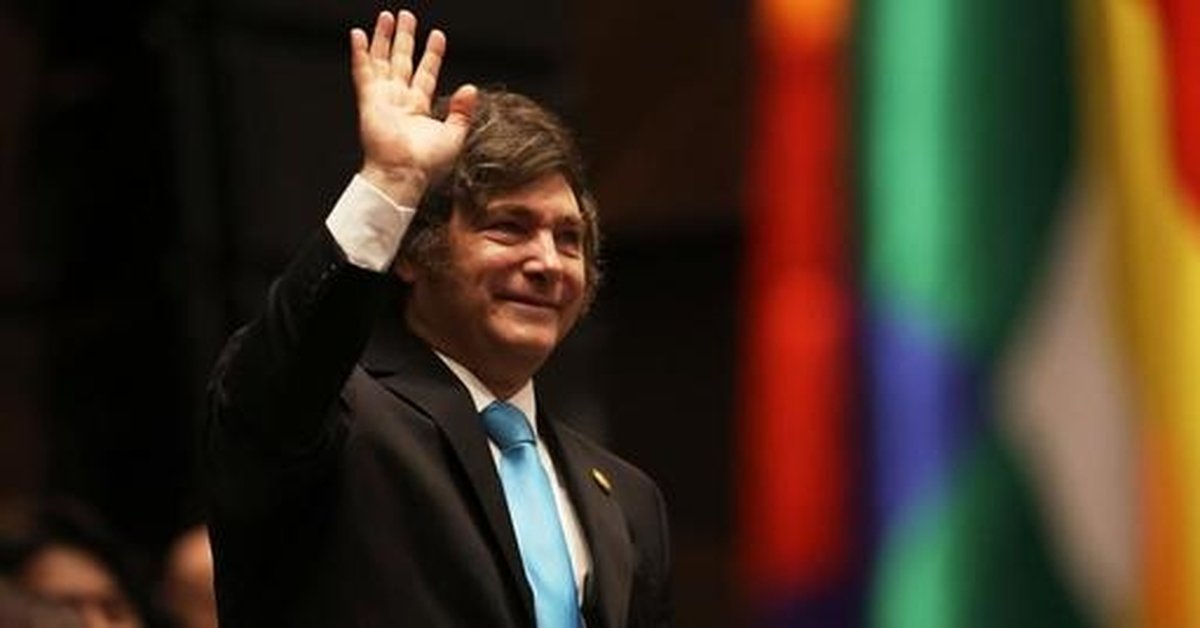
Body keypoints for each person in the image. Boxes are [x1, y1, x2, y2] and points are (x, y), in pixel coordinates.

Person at [202, 8, 672, 627]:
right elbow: (281, 373)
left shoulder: (628, 498)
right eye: (509, 227)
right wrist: (393, 181)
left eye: (569, 238)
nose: (547, 262)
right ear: (413, 253)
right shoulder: (336, 419)